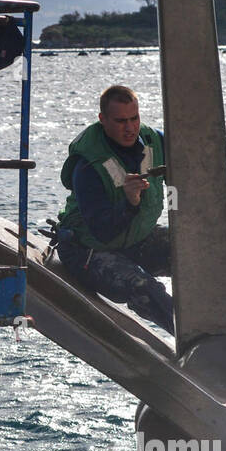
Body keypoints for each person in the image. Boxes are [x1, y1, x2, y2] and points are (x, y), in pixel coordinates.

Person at [54, 85, 174, 333]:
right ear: (103, 120)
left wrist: (180, 204)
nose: (129, 128)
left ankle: (217, 324)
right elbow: (102, 232)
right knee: (143, 287)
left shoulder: (156, 141)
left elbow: (180, 185)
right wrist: (130, 203)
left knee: (189, 249)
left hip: (134, 239)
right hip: (88, 250)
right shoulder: (88, 166)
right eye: (120, 121)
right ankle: (194, 344)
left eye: (134, 118)